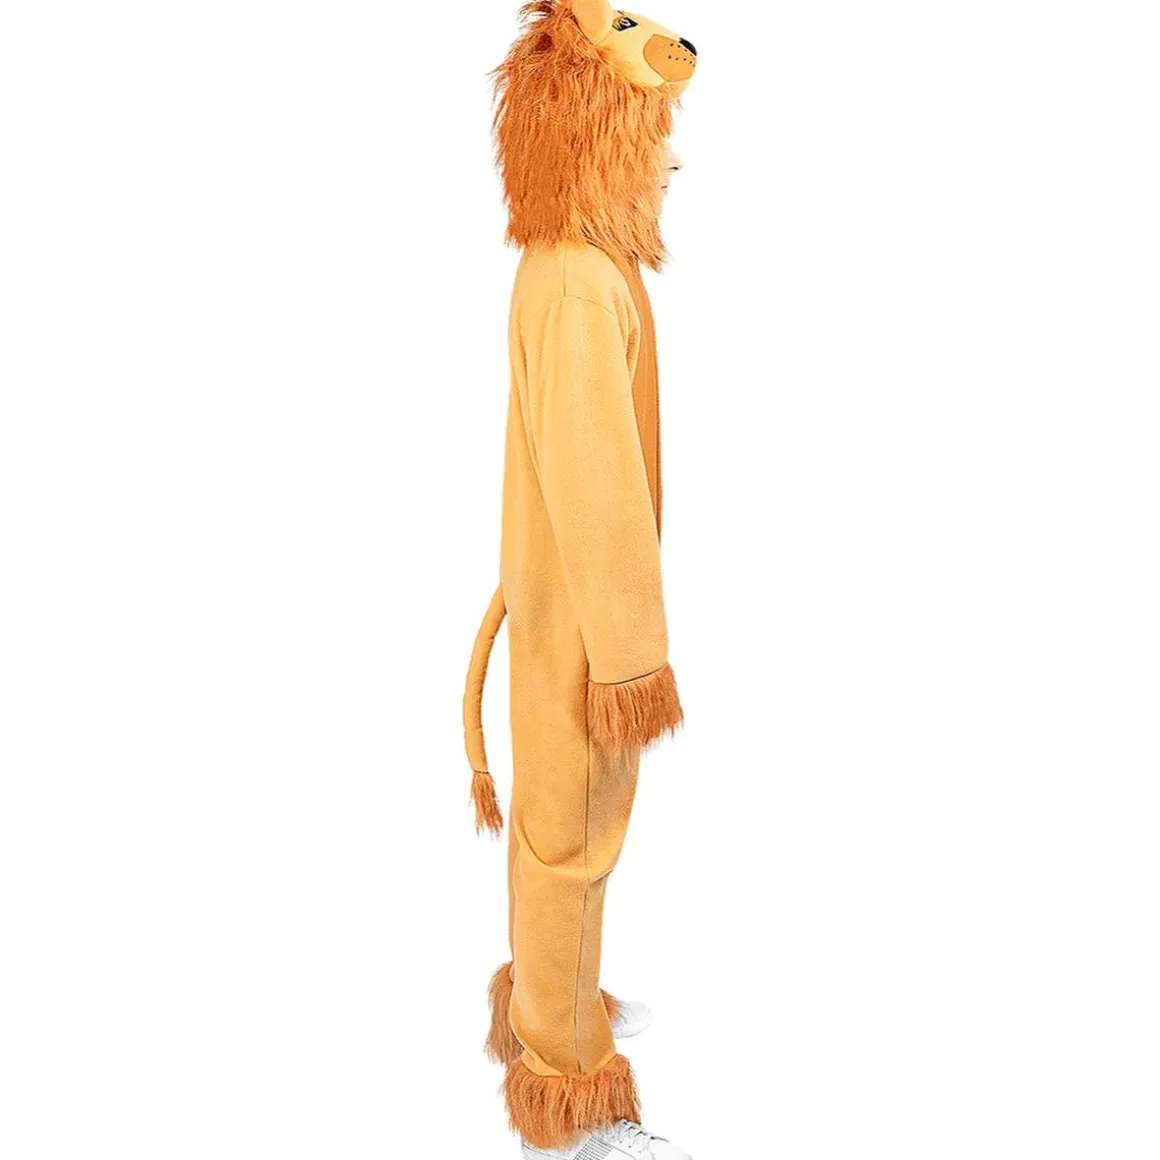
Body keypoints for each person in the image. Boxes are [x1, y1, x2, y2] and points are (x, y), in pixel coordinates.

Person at [462, 3, 698, 1156]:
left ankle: (551, 993)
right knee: (572, 830)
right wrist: (632, 661)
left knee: (563, 821)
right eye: (650, 134)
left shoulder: (575, 269)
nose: (670, 157)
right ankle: (563, 1085)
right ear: (597, 129)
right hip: (581, 619)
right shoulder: (573, 287)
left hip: (559, 596)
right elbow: (598, 489)